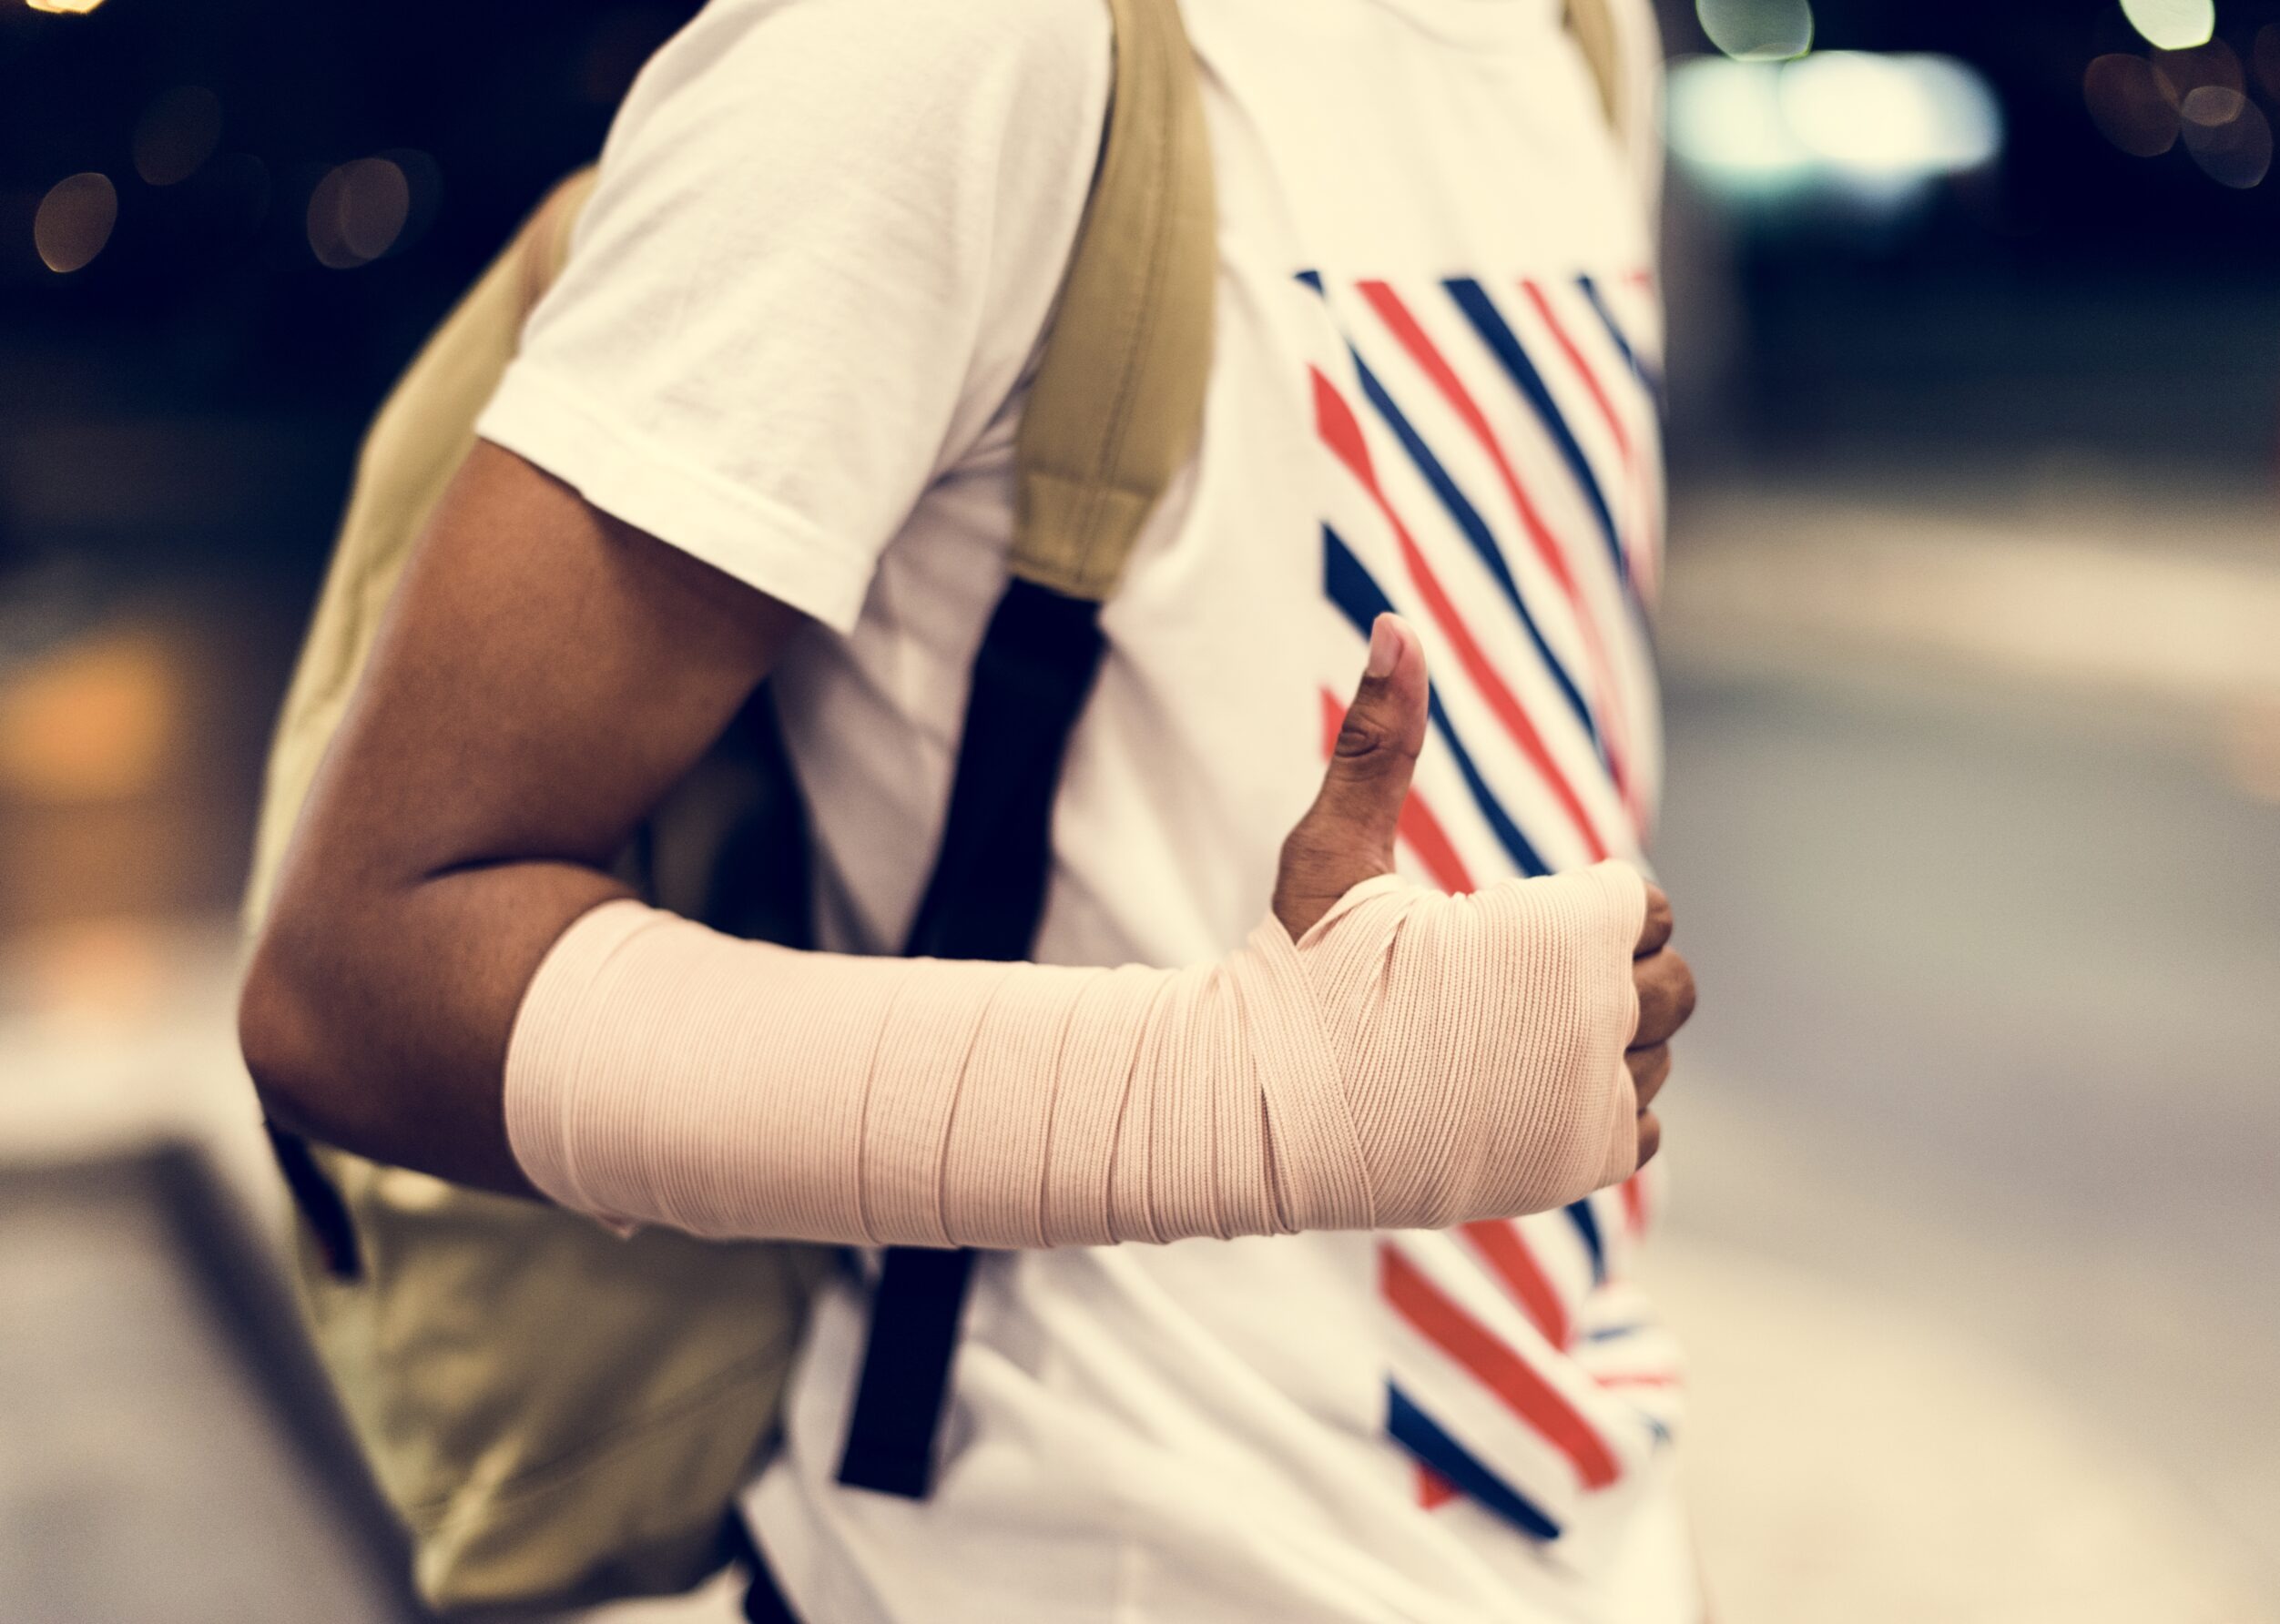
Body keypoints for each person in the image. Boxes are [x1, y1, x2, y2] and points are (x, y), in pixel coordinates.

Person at [239, 0, 1699, 1618]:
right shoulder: (938, 44)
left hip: (1587, 1543)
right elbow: (353, 986)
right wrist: (1238, 1094)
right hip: (1055, 1564)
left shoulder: (1582, 34)